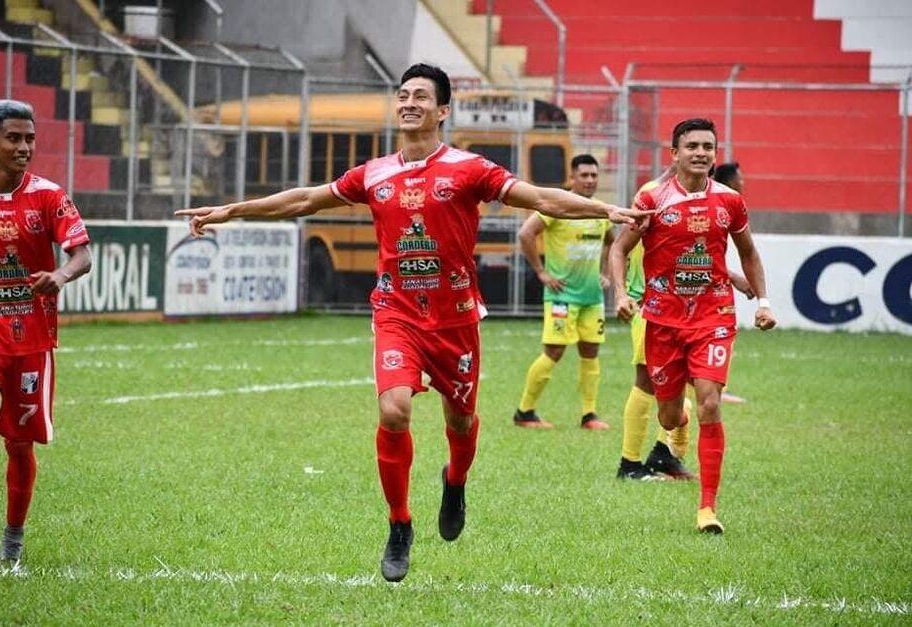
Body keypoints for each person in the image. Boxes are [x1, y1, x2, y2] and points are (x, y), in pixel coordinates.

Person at [176, 64, 650, 582]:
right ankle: (399, 523)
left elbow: (538, 197)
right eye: (402, 95)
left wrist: (604, 209)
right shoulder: (374, 173)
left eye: (420, 96)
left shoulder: (470, 169)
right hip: (397, 311)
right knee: (395, 409)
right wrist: (232, 209)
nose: (408, 102)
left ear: (442, 110)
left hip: (456, 319)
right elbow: (308, 198)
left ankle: (455, 480)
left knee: (461, 423)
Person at [610, 118, 775, 533]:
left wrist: (763, 301)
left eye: (708, 146)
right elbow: (619, 247)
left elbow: (749, 252)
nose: (701, 153)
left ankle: (707, 509)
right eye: (692, 146)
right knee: (667, 416)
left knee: (711, 403)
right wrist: (620, 294)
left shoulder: (730, 201)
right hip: (662, 320)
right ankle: (677, 419)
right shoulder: (652, 197)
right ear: (675, 153)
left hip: (713, 317)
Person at [0, 100, 92, 562]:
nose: (24, 147)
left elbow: (82, 254)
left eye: (30, 138)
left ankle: (14, 537)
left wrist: (59, 276)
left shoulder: (49, 196)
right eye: (13, 138)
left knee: (19, 443)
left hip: (32, 339)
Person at [612, 168, 755, 482]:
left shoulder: (712, 202)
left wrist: (731, 277)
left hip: (689, 311)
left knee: (689, 388)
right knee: (645, 381)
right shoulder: (655, 195)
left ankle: (667, 455)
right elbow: (627, 247)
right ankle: (630, 464)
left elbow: (691, 252)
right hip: (649, 303)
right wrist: (622, 292)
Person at [512, 154, 615, 430]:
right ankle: (524, 412)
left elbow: (611, 243)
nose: (590, 180)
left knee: (590, 352)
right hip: (562, 297)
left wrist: (605, 272)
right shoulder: (556, 207)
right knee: (554, 352)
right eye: (584, 175)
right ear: (572, 178)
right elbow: (525, 234)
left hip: (592, 298)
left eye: (594, 175)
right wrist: (541, 272)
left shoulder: (600, 211)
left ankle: (589, 415)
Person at [711, 162, 749, 404]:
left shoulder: (731, 205)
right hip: (692, 292)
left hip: (715, 288)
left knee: (721, 336)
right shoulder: (715, 203)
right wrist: (734, 277)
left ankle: (717, 392)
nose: (743, 183)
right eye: (740, 179)